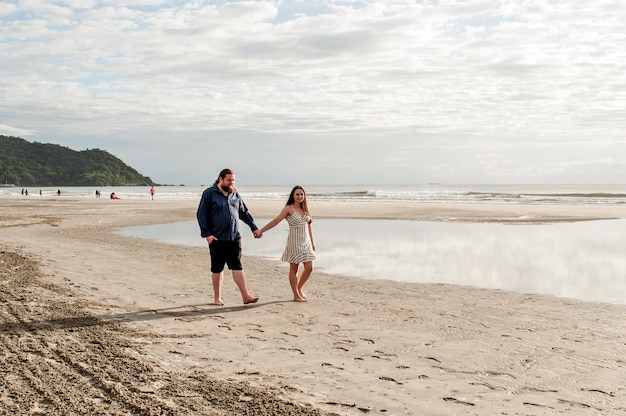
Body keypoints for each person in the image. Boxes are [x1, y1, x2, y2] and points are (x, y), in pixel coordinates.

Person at [196, 168, 261, 306]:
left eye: (233, 180)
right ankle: (217, 297)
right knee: (217, 268)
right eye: (229, 180)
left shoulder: (235, 194)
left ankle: (246, 296)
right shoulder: (209, 193)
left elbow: (244, 212)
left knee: (237, 266)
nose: (232, 182)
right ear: (221, 179)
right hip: (217, 238)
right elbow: (201, 215)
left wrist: (254, 227)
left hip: (234, 237)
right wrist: (207, 235)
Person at [258, 186, 316, 302]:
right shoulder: (288, 209)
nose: (300, 196)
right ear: (293, 196)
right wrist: (261, 231)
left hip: (306, 242)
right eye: (297, 194)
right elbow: (276, 221)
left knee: (309, 268)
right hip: (294, 242)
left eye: (301, 194)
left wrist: (313, 243)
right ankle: (295, 294)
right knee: (294, 269)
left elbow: (309, 226)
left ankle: (299, 288)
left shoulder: (305, 209)